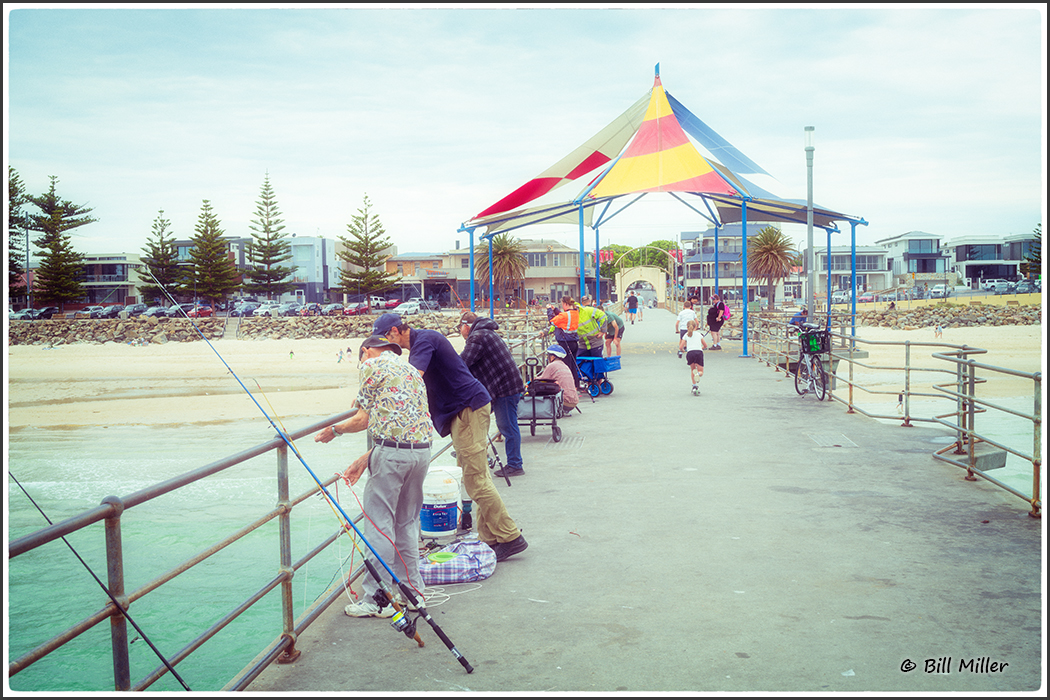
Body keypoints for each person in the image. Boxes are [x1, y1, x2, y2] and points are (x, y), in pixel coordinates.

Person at [372, 313, 528, 562]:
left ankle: (510, 537)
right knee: (475, 476)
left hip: (468, 409)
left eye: (384, 339)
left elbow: (413, 378)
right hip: (464, 411)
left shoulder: (423, 341)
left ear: (394, 331)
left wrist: (374, 391)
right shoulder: (422, 341)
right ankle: (490, 538)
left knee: (475, 479)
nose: (385, 346)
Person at [314, 335, 433, 618]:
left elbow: (362, 418)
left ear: (366, 351)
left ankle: (378, 599)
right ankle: (412, 593)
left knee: (379, 525)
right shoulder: (410, 370)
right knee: (406, 522)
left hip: (392, 455)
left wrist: (335, 430)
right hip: (422, 452)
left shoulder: (371, 366)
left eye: (362, 356)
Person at [459, 312, 526, 478]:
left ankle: (515, 464)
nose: (460, 330)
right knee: (485, 421)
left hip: (505, 389)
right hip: (505, 386)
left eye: (459, 327)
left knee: (507, 426)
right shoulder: (486, 333)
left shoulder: (477, 337)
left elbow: (463, 362)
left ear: (466, 326)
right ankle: (476, 453)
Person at [531, 344, 579, 412]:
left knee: (539, 387)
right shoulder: (565, 365)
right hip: (574, 402)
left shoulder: (551, 365)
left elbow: (543, 379)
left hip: (564, 402)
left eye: (548, 355)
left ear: (553, 356)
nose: (548, 357)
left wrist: (534, 379)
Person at [547, 297, 582, 388]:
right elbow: (563, 315)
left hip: (565, 343)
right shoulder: (575, 312)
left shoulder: (565, 316)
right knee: (573, 365)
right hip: (574, 343)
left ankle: (569, 386)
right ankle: (575, 385)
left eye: (562, 304)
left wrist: (549, 310)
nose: (562, 306)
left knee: (567, 366)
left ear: (565, 304)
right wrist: (555, 310)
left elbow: (552, 321)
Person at [678, 319, 708, 395]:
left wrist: (683, 350)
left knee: (692, 369)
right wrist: (701, 348)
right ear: (696, 327)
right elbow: (705, 345)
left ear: (687, 327)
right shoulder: (699, 335)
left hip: (690, 353)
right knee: (701, 371)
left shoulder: (686, 335)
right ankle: (698, 373)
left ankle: (694, 386)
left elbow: (681, 346)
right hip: (698, 352)